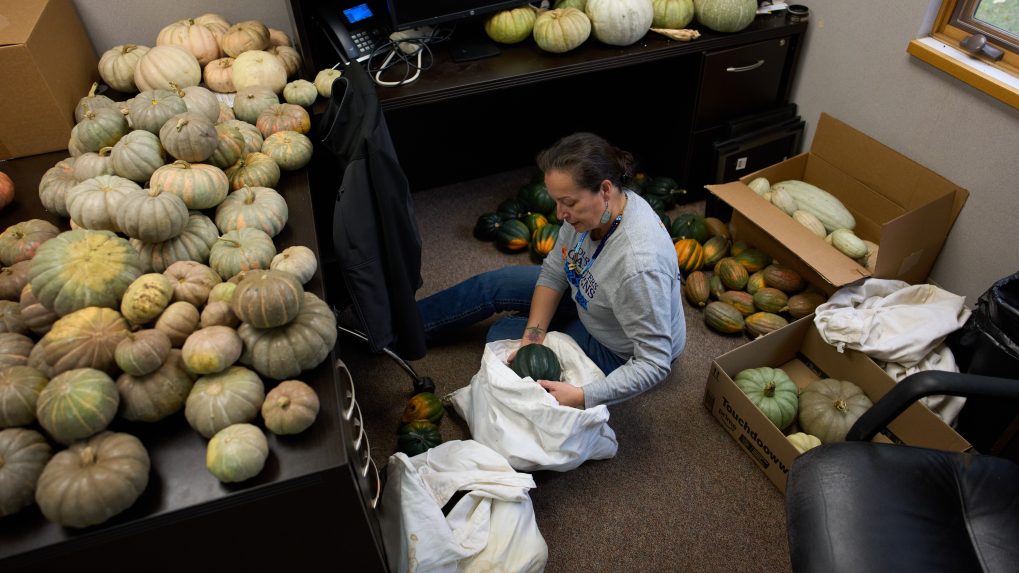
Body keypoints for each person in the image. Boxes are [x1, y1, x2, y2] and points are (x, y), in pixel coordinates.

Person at [417, 132, 686, 409]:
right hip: (592, 295)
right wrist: (533, 336)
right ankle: (400, 328)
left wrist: (583, 396)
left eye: (568, 203)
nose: (559, 215)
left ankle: (557, 339)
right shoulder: (594, 212)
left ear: (605, 189)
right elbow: (555, 271)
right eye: (556, 202)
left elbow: (655, 361)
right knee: (492, 285)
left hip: (615, 348)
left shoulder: (639, 268)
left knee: (503, 334)